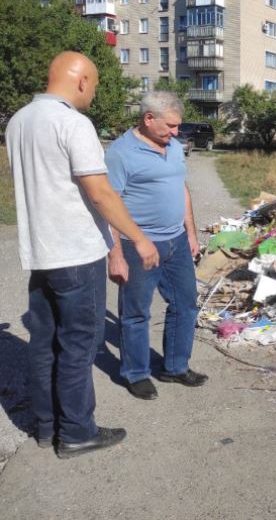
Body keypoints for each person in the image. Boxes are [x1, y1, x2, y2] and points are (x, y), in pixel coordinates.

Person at [6, 51, 160, 459]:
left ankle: (46, 427)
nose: (93, 92)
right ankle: (76, 432)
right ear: (81, 81)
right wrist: (138, 239)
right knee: (78, 345)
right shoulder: (73, 122)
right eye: (94, 84)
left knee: (45, 344)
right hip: (75, 253)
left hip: (40, 254)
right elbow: (99, 191)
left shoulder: (19, 121)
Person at [106, 91, 207, 401]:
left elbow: (182, 188)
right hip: (139, 245)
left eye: (179, 127)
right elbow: (109, 205)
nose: (177, 134)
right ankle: (135, 373)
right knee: (136, 312)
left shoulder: (173, 147)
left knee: (186, 303)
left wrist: (190, 231)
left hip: (176, 240)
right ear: (149, 119)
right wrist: (117, 255)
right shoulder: (121, 153)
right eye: (171, 126)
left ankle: (175, 367)